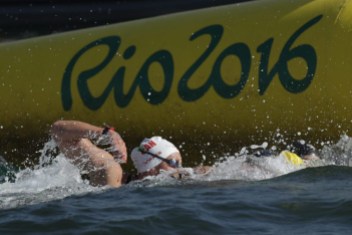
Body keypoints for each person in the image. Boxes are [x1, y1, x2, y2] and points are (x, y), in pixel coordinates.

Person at [50, 120, 207, 187]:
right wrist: (106, 133)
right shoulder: (111, 170)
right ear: (151, 165)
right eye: (174, 163)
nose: (177, 170)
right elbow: (57, 129)